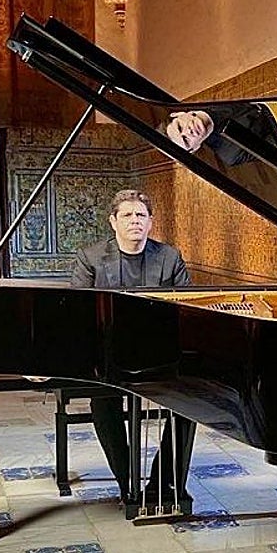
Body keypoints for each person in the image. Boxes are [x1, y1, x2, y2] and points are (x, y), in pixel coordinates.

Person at [70, 190, 195, 510]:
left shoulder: (169, 257)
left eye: (141, 215)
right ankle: (127, 480)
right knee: (102, 402)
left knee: (191, 404)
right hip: (108, 354)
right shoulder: (91, 257)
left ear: (151, 223)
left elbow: (189, 309)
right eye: (127, 215)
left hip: (159, 354)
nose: (134, 221)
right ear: (113, 222)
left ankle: (164, 482)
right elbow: (77, 312)